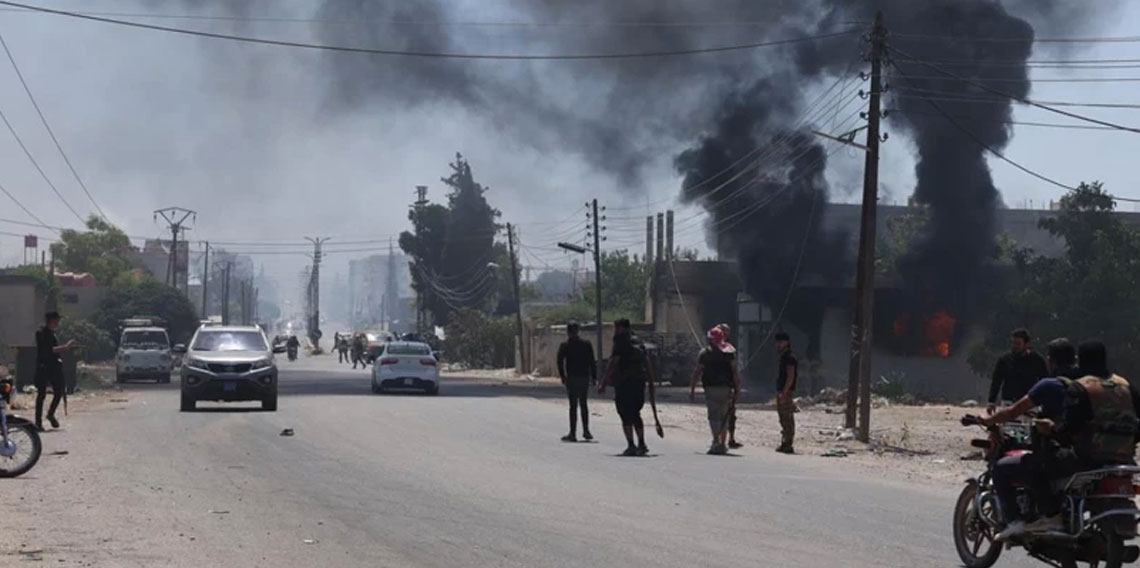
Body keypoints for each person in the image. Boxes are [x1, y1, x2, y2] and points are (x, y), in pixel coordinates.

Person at [986, 339, 1140, 541]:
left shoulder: (1081, 387)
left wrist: (1052, 428)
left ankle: (1051, 515)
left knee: (1035, 462)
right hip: (1122, 458)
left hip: (1085, 456)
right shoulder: (1126, 386)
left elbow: (1069, 427)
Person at [982, 338, 1082, 540]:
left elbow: (1013, 411)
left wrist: (989, 419)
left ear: (1050, 361)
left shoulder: (1049, 384)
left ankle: (1015, 523)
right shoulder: (1086, 385)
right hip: (1085, 452)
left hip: (1059, 451)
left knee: (1002, 468)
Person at [599, 319, 656, 457]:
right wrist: (650, 380)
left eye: (616, 328)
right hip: (638, 382)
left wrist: (604, 382)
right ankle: (641, 444)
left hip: (624, 383)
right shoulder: (638, 342)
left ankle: (631, 445)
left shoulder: (620, 342)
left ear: (620, 328)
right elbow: (646, 362)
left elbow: (614, 362)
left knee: (625, 414)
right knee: (636, 413)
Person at [690, 326, 742, 455]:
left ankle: (715, 441)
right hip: (726, 388)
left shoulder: (704, 353)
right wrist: (737, 389)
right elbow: (735, 373)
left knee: (714, 416)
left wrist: (692, 389)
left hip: (711, 388)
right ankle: (722, 443)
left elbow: (697, 372)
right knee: (724, 416)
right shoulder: (729, 353)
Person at [988, 328, 1049, 415]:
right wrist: (991, 402)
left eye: (1018, 344)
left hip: (1029, 402)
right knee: (1006, 426)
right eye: (1013, 343)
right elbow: (996, 381)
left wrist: (1045, 401)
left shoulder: (1036, 359)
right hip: (1008, 402)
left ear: (1026, 344)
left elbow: (1044, 380)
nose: (1015, 346)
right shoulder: (1004, 360)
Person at [556, 322, 596, 442]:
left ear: (568, 332)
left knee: (573, 406)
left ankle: (573, 433)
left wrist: (563, 376)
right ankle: (586, 430)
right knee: (583, 404)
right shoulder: (586, 344)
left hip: (572, 378)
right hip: (583, 377)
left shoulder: (565, 345)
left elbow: (559, 362)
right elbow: (592, 362)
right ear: (578, 331)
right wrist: (594, 377)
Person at [35, 311, 75, 431]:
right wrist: (65, 347)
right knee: (41, 395)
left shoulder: (53, 334)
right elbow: (49, 350)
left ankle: (50, 414)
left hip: (54, 368)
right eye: (56, 320)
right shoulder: (41, 333)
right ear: (51, 320)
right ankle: (38, 423)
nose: (58, 322)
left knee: (59, 391)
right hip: (44, 367)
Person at [716, 323, 743, 449]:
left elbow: (734, 369)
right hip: (716, 385)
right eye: (723, 332)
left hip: (728, 384)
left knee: (731, 413)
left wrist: (737, 386)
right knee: (717, 414)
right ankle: (717, 439)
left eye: (727, 332)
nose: (725, 334)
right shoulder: (713, 347)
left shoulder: (730, 348)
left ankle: (730, 438)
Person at [774, 332, 798, 454]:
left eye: (781, 342)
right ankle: (785, 442)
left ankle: (788, 443)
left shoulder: (790, 358)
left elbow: (790, 377)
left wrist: (784, 392)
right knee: (782, 417)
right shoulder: (783, 357)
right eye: (777, 342)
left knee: (787, 417)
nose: (778, 344)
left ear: (787, 343)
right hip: (781, 390)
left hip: (786, 391)